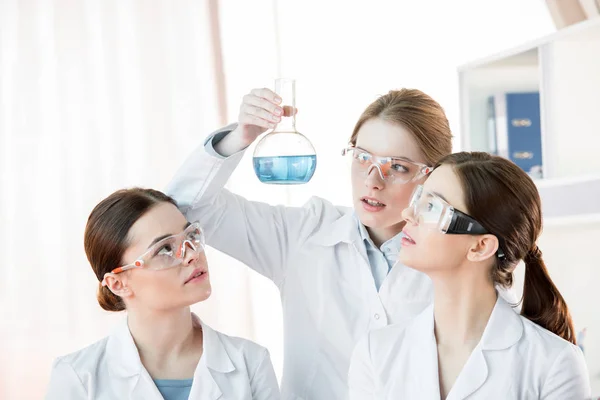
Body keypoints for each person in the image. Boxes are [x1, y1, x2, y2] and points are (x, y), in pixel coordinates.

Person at [164, 87, 488, 399]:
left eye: (398, 166)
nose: (373, 181)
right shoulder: (303, 234)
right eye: (362, 157)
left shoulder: (459, 257)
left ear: (433, 175)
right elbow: (185, 207)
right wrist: (240, 137)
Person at [348, 152, 591, 399]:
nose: (408, 215)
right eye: (419, 199)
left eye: (432, 207)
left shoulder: (555, 365)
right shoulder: (375, 353)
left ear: (480, 246)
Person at [45, 188, 280, 400]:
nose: (191, 255)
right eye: (165, 249)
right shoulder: (77, 377)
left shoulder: (250, 363)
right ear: (118, 283)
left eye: (190, 237)